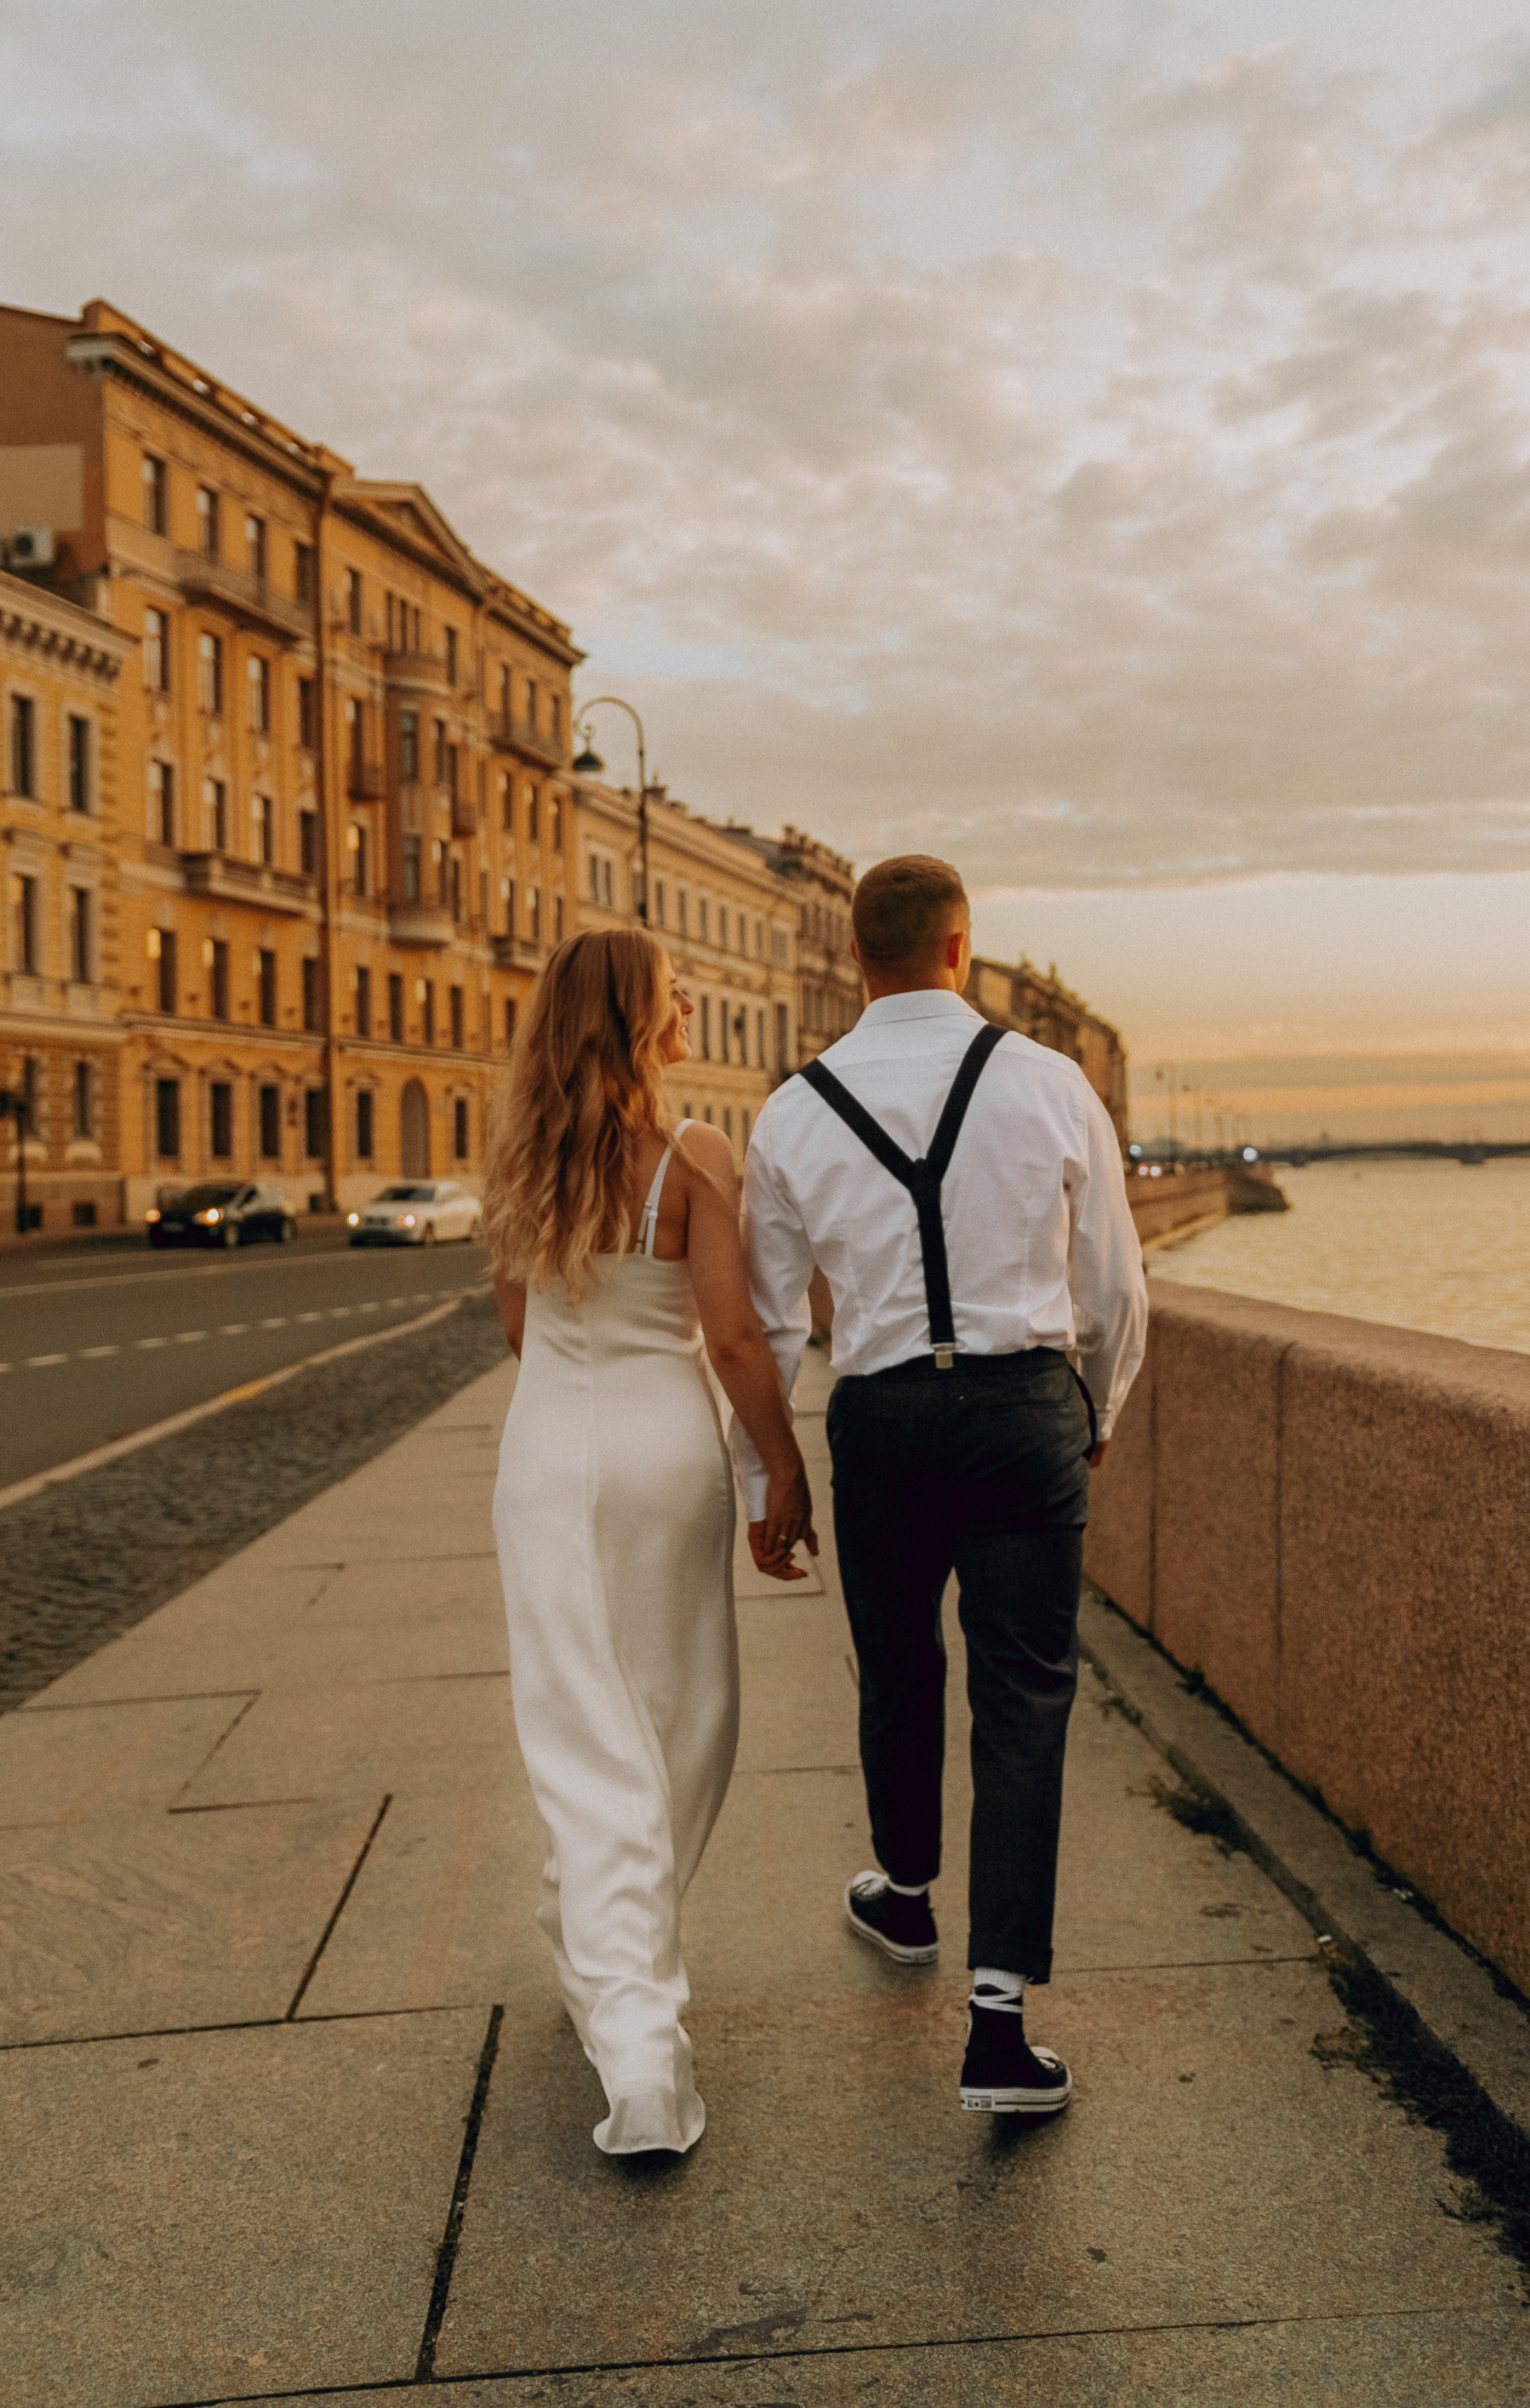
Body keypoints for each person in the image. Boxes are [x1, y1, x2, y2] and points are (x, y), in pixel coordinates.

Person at [733, 855, 1147, 2116]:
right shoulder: (1048, 1080)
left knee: (898, 1663)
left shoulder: (793, 1109)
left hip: (885, 1417)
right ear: (962, 948)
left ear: (857, 956)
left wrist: (775, 1475)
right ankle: (1001, 2020)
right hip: (1024, 1406)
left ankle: (905, 1898)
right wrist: (1096, 1412)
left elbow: (767, 1323)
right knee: (1025, 1693)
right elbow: (1115, 1288)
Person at [488, 927, 816, 2156]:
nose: (691, 1001)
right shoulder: (690, 1155)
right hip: (662, 1454)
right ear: (639, 1017)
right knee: (682, 1718)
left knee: (579, 1721)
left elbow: (521, 1326)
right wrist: (781, 1465)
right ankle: (636, 2038)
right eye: (677, 988)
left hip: (544, 1457)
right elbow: (733, 1342)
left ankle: (593, 1926)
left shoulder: (518, 1163)